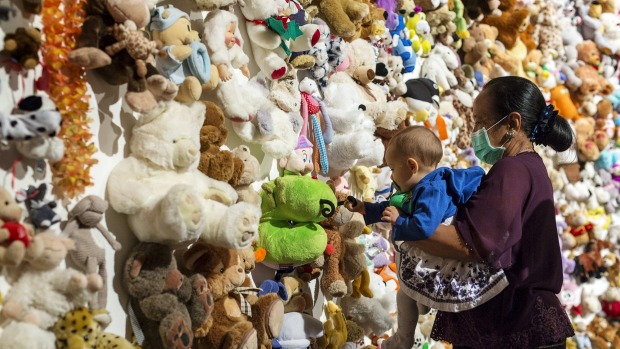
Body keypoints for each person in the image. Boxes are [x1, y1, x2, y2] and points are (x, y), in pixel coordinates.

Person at [406, 76, 575, 348]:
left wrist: (407, 227)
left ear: (512, 124)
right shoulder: (532, 168)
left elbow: (471, 244)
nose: (475, 131)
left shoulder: (513, 170)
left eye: (481, 121)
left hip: (513, 323)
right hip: (525, 322)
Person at [345, 126, 509, 349]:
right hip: (427, 256)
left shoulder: (432, 190)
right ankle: (419, 307)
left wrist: (400, 221)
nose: (391, 175)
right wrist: (366, 208)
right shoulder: (418, 187)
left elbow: (424, 227)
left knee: (405, 294)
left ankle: (403, 339)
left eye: (392, 168)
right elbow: (392, 205)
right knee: (408, 294)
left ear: (411, 166)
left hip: (439, 259)